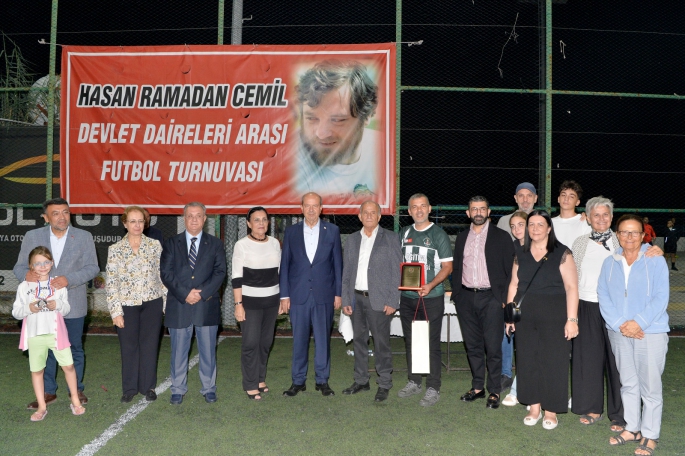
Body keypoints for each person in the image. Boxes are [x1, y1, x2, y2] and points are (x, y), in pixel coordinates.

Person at [13, 197, 99, 410]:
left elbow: (92, 268)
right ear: (45, 217)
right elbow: (19, 267)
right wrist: (27, 275)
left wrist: (69, 280)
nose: (62, 217)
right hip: (40, 309)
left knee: (74, 348)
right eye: (56, 213)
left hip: (73, 302)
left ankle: (75, 390)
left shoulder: (84, 236)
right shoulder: (32, 236)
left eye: (66, 212)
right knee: (46, 350)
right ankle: (48, 392)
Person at [598, 214, 670, 456]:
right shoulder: (610, 261)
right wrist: (620, 324)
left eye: (634, 232)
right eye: (624, 232)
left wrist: (638, 323)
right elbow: (603, 295)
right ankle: (632, 428)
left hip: (650, 331)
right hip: (619, 332)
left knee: (650, 386)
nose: (629, 237)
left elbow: (661, 297)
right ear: (617, 234)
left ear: (643, 235)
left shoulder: (655, 260)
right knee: (628, 383)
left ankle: (650, 435)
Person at [506, 210, 579, 430]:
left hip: (555, 316)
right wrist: (509, 316)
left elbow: (571, 287)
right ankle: (534, 406)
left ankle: (551, 410)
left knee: (553, 362)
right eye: (531, 225)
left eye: (540, 224)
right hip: (525, 318)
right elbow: (513, 285)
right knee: (528, 361)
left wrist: (572, 319)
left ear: (549, 228)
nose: (535, 228)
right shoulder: (521, 252)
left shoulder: (562, 252)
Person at [451, 196, 515, 409]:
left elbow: (510, 272)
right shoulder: (461, 238)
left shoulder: (502, 237)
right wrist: (458, 295)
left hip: (492, 299)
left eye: (482, 209)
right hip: (466, 298)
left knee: (493, 346)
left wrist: (505, 300)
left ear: (489, 212)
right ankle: (477, 387)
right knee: (473, 345)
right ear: (468, 213)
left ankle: (494, 389)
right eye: (473, 209)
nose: (478, 212)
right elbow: (458, 268)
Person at [570, 197, 627, 431]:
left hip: (616, 308)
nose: (601, 219)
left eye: (606, 215)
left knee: (618, 363)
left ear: (612, 218)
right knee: (588, 360)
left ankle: (620, 414)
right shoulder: (580, 242)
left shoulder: (622, 241)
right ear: (588, 217)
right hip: (587, 305)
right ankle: (592, 408)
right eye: (596, 215)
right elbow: (572, 278)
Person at [160, 202, 226, 405]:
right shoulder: (171, 243)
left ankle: (209, 388)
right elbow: (166, 273)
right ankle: (178, 389)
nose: (194, 219)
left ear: (205, 219)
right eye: (190, 216)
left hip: (206, 304)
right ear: (184, 218)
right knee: (179, 350)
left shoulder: (215, 244)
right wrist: (185, 294)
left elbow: (220, 272)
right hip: (180, 304)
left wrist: (202, 293)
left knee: (208, 350)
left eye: (199, 215)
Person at [280, 192, 343, 397]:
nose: (311, 209)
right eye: (307, 205)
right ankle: (298, 381)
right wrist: (284, 295)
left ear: (321, 208)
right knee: (299, 339)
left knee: (323, 339)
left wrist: (338, 293)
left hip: (324, 295)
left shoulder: (332, 231)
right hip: (298, 296)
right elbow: (285, 265)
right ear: (301, 208)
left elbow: (337, 265)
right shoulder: (291, 232)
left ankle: (322, 381)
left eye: (315, 206)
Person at [13, 246, 85, 421]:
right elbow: (16, 312)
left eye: (46, 262)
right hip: (35, 335)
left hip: (55, 334)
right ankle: (42, 407)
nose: (42, 266)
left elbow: (66, 308)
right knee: (37, 370)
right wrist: (28, 308)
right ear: (31, 266)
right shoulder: (24, 286)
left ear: (51, 263)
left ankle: (75, 400)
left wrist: (57, 305)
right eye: (38, 263)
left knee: (68, 366)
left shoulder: (57, 284)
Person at [341, 201, 402, 402]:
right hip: (356, 299)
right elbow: (347, 272)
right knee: (359, 341)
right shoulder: (351, 240)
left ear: (379, 216)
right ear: (359, 216)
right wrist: (346, 299)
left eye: (372, 212)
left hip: (380, 301)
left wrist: (393, 300)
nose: (368, 215)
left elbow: (397, 272)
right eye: (365, 212)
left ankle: (384, 383)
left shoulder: (391, 238)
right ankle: (361, 380)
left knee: (381, 343)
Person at [294, 60, 380, 198]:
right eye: (311, 118)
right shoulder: (288, 160)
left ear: (368, 115)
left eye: (337, 120)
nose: (321, 134)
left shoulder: (385, 151)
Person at [106, 206, 166, 403]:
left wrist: (164, 305)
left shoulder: (155, 245)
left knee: (149, 346)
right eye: (132, 221)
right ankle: (129, 388)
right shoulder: (115, 250)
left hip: (153, 303)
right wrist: (116, 311)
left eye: (140, 221)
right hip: (126, 306)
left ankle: (148, 387)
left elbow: (162, 276)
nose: (137, 225)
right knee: (129, 346)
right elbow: (111, 282)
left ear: (145, 223)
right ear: (125, 224)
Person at [398, 193, 453, 407]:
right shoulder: (403, 233)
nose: (419, 210)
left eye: (422, 206)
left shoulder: (439, 234)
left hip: (432, 297)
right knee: (411, 340)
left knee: (431, 342)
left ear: (429, 208)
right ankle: (414, 381)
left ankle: (433, 387)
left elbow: (448, 267)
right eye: (414, 207)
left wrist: (430, 286)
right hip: (408, 297)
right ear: (409, 211)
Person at [232, 207, 281, 401]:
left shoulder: (276, 243)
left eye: (264, 219)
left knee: (265, 342)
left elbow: (279, 273)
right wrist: (238, 304)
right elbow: (236, 278)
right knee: (251, 342)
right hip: (250, 303)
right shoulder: (241, 245)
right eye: (256, 220)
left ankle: (260, 379)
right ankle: (250, 384)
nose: (261, 223)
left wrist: (281, 299)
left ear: (268, 222)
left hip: (271, 301)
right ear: (249, 223)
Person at [496, 182, 539, 394]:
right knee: (507, 333)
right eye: (520, 195)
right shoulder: (508, 234)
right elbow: (506, 272)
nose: (525, 199)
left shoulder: (542, 234)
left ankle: (527, 377)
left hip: (536, 298)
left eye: (528, 195)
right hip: (513, 294)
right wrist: (506, 297)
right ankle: (505, 373)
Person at [501, 210, 528, 407]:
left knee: (530, 349)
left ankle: (519, 391)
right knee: (523, 347)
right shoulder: (512, 248)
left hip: (536, 304)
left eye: (521, 224)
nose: (517, 229)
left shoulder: (539, 246)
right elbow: (510, 280)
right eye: (513, 226)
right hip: (516, 303)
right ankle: (517, 388)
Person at [551, 180, 591, 248]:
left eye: (571, 196)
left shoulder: (584, 222)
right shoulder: (550, 222)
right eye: (563, 195)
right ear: (558, 199)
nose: (566, 199)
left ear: (577, 202)